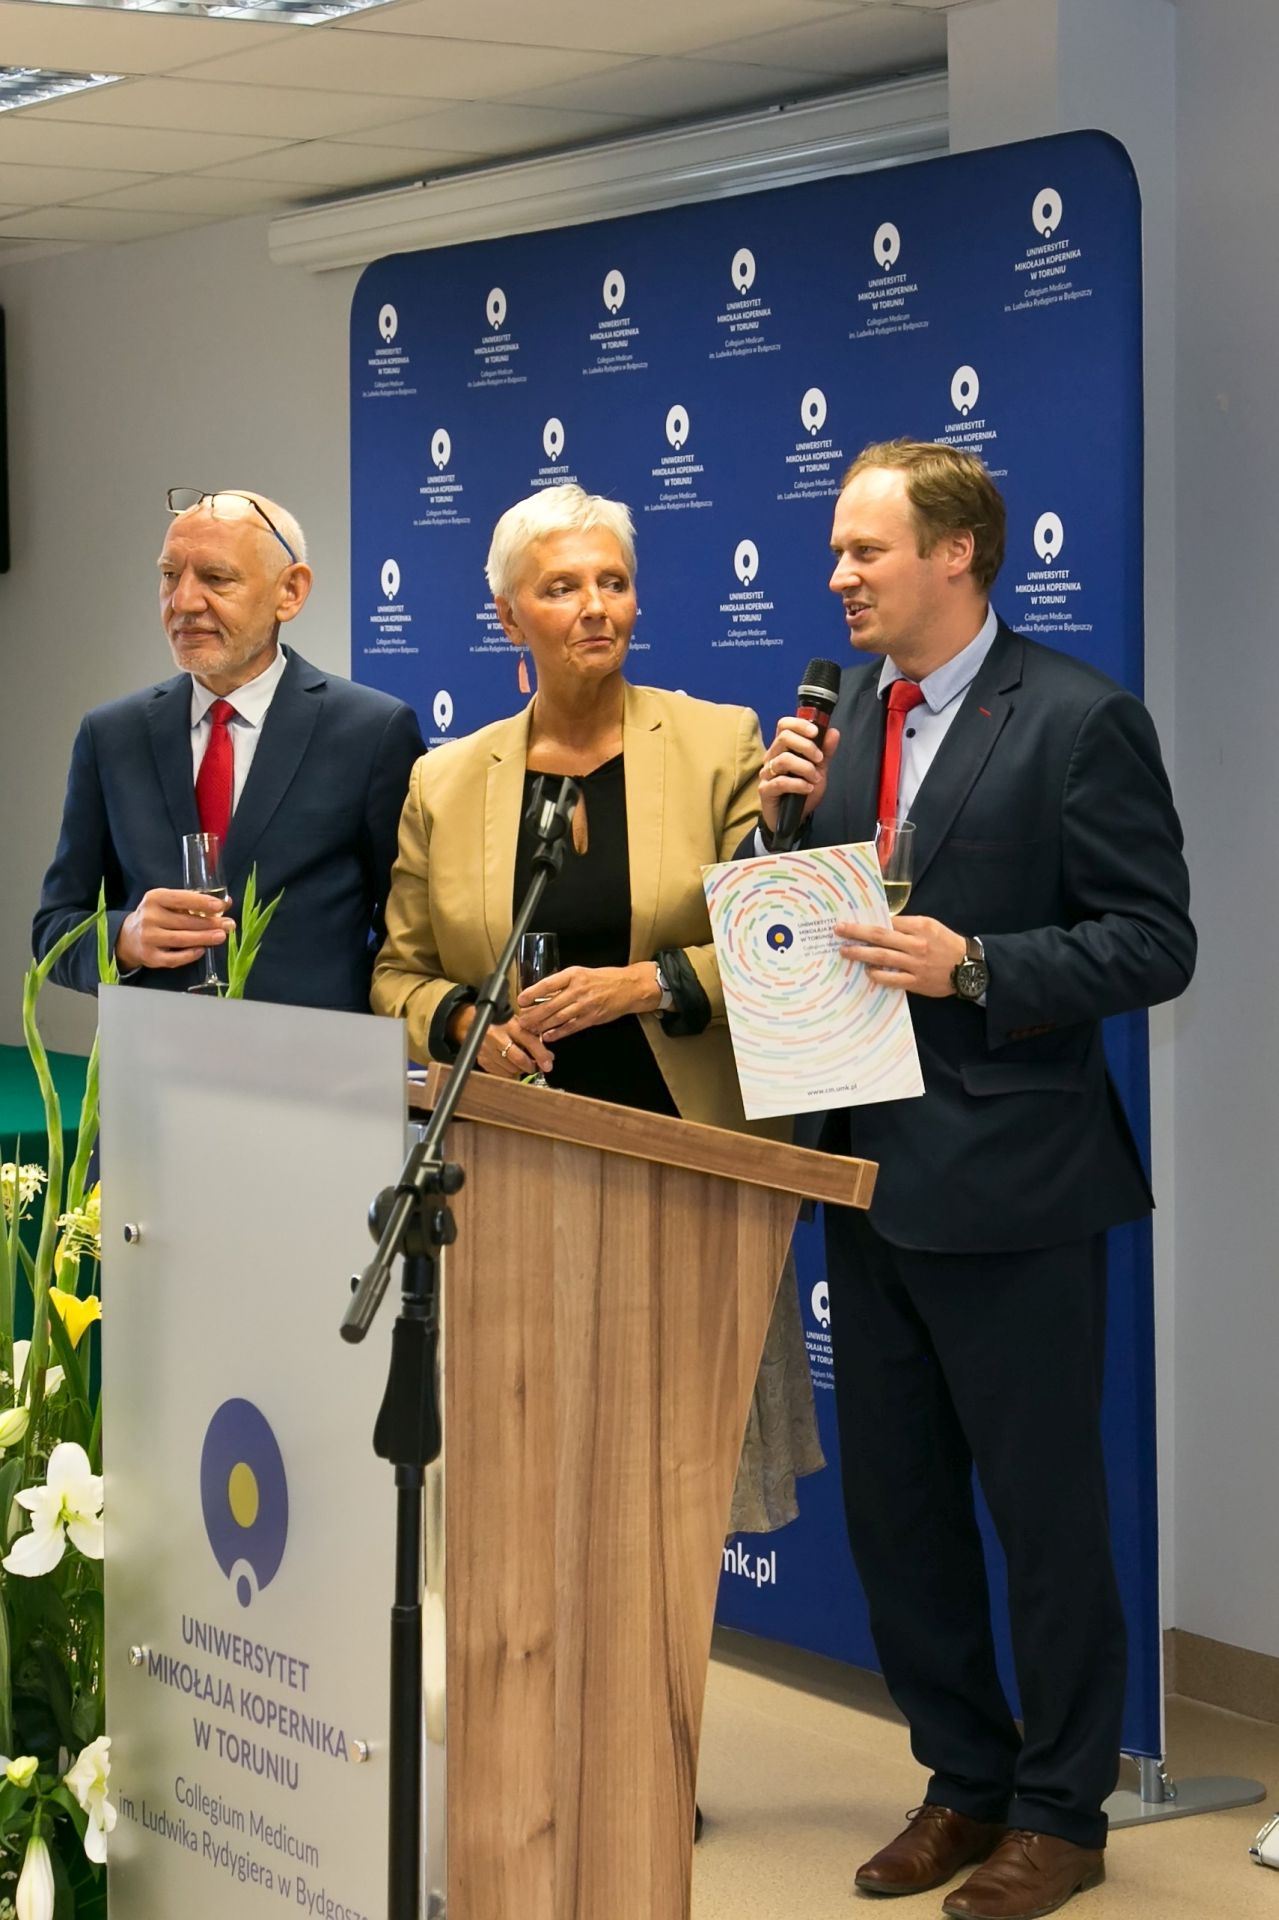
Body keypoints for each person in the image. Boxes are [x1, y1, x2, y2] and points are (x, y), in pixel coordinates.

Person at [758, 441, 1195, 1920]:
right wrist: (773, 829)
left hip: (1015, 1191)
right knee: (897, 1516)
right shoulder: (842, 722)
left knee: (1043, 1519)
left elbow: (1153, 941)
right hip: (864, 1179)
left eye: (864, 550)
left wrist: (980, 965)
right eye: (835, 551)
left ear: (955, 553)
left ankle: (1060, 1815)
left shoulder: (1076, 719)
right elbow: (807, 927)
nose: (838, 576)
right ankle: (962, 1778)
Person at [372, 482, 822, 1538]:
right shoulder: (445, 780)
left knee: (676, 1492)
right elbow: (396, 975)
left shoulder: (718, 746)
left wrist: (644, 983)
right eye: (562, 587)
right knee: (534, 1485)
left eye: (612, 583)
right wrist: (466, 1027)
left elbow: (782, 944)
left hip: (684, 1162)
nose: (594, 608)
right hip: (513, 1172)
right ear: (508, 617)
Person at [33, 488, 424, 1010]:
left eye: (216, 578)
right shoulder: (111, 735)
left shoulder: (372, 732)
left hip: (309, 1056)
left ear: (290, 592)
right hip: (156, 1056)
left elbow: (412, 938)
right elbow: (55, 930)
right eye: (169, 575)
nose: (183, 602)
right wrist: (125, 938)